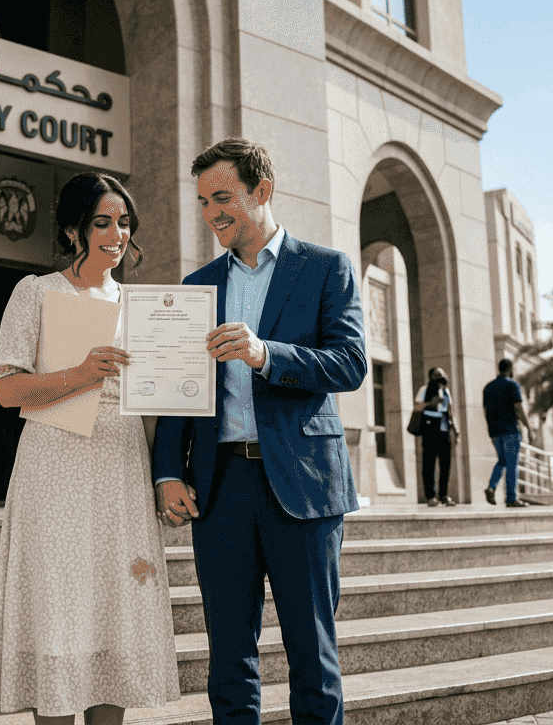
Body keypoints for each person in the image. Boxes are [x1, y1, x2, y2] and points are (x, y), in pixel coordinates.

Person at [154, 138, 366, 725]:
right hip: (220, 488)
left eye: (222, 198)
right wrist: (168, 469)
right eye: (203, 201)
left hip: (304, 487)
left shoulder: (326, 268)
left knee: (313, 658)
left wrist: (266, 353)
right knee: (228, 660)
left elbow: (350, 363)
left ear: (262, 191)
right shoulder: (195, 285)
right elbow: (176, 389)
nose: (211, 213)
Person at [0, 173, 179, 722]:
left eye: (124, 223)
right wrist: (79, 374)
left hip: (122, 466)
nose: (117, 234)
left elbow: (156, 406)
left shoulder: (143, 306)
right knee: (60, 608)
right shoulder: (36, 291)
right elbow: (7, 390)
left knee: (116, 609)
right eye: (102, 223)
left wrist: (163, 477)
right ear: (73, 230)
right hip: (55, 465)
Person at [483, 358, 531, 507]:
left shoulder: (488, 387)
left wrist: (491, 430)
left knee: (502, 461)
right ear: (510, 369)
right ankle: (511, 498)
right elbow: (519, 408)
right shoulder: (512, 385)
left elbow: (486, 411)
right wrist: (529, 428)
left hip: (495, 431)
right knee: (512, 464)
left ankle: (491, 487)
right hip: (510, 430)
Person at [415, 367, 460, 506]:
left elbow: (450, 411)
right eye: (436, 375)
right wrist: (430, 403)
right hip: (430, 431)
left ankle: (444, 496)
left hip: (444, 431)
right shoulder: (424, 389)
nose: (439, 377)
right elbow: (417, 408)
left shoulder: (446, 391)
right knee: (429, 464)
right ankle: (431, 496)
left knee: (445, 465)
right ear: (430, 376)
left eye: (441, 374)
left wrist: (456, 430)